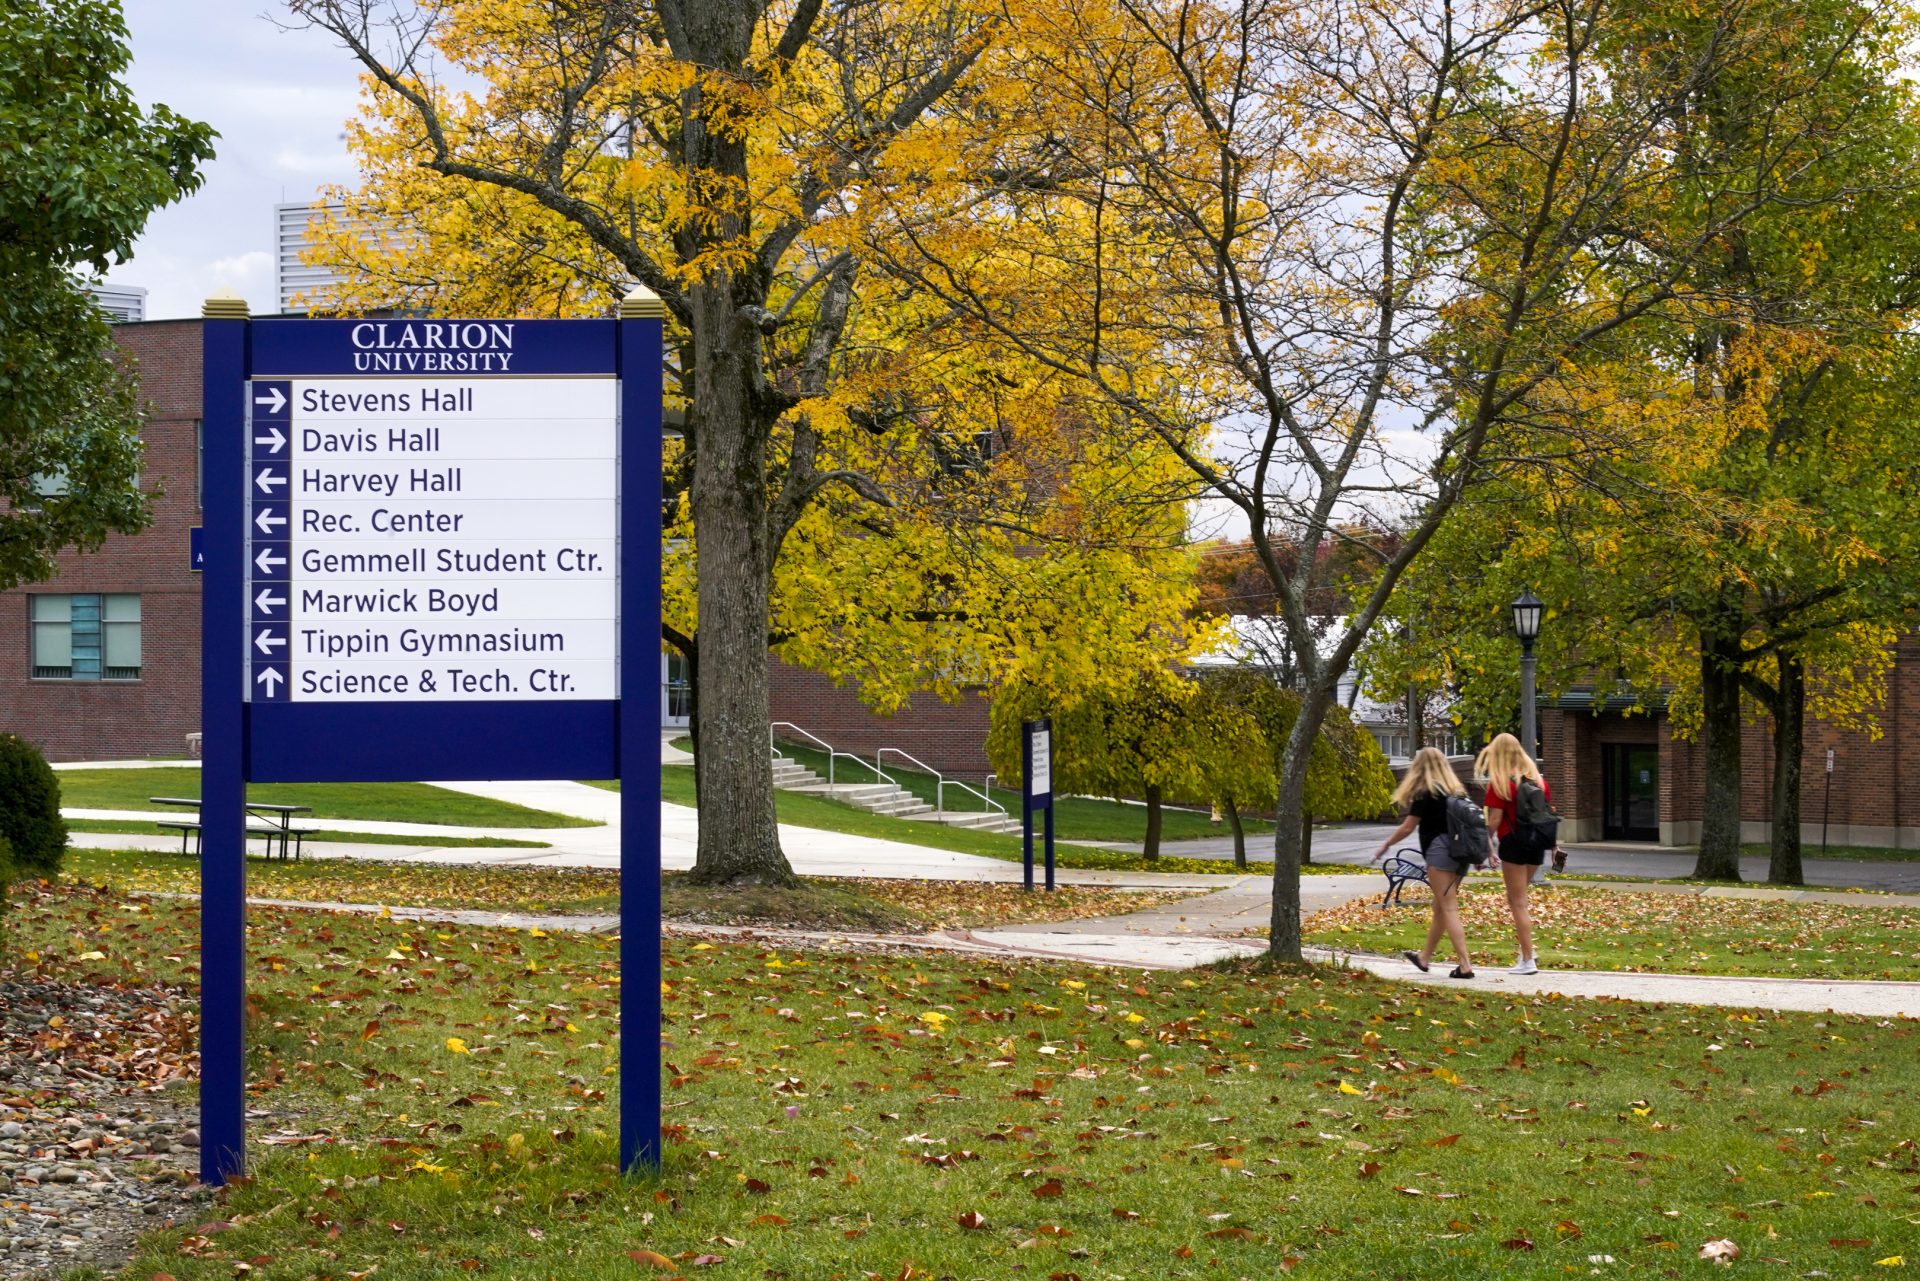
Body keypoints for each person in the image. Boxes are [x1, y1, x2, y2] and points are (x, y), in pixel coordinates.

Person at [1371, 746, 1476, 978]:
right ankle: (1424, 958)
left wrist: (1386, 845)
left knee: (1448, 907)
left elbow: (1408, 826)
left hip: (1440, 853)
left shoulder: (1426, 791)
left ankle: (1465, 965)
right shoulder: (1456, 791)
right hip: (1461, 854)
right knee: (1440, 907)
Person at [1476, 733, 1552, 975]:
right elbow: (1548, 814)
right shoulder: (1538, 780)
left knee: (1517, 902)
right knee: (1519, 899)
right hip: (1536, 844)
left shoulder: (1500, 782)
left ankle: (1528, 960)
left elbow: (1495, 819)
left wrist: (1486, 843)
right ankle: (1527, 951)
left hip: (1514, 843)